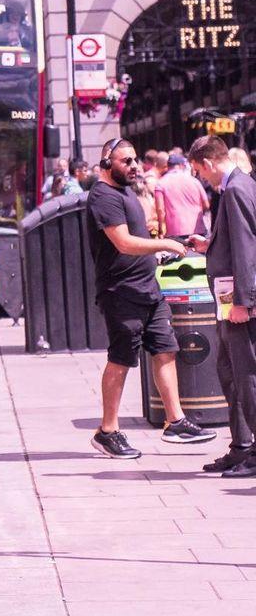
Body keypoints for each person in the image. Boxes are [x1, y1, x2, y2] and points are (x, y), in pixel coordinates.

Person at [86, 137, 216, 458]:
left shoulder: (125, 192)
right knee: (121, 360)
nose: (133, 166)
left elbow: (138, 238)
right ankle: (108, 431)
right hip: (122, 292)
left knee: (166, 350)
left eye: (134, 161)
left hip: (148, 288)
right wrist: (164, 246)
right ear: (106, 164)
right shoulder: (103, 196)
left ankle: (175, 421)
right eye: (125, 161)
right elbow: (124, 243)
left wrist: (157, 253)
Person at [186, 136, 256, 477]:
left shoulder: (237, 190)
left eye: (199, 170)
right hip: (227, 298)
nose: (201, 177)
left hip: (238, 302)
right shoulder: (233, 189)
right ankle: (241, 445)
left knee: (247, 376)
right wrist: (208, 245)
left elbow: (247, 247)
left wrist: (245, 301)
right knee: (229, 373)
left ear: (210, 162)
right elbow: (233, 241)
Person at [154, 151, 211, 238]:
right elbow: (206, 205)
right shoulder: (194, 181)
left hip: (175, 231)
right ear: (182, 165)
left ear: (168, 166)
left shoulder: (161, 183)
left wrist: (161, 230)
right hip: (198, 230)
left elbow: (160, 210)